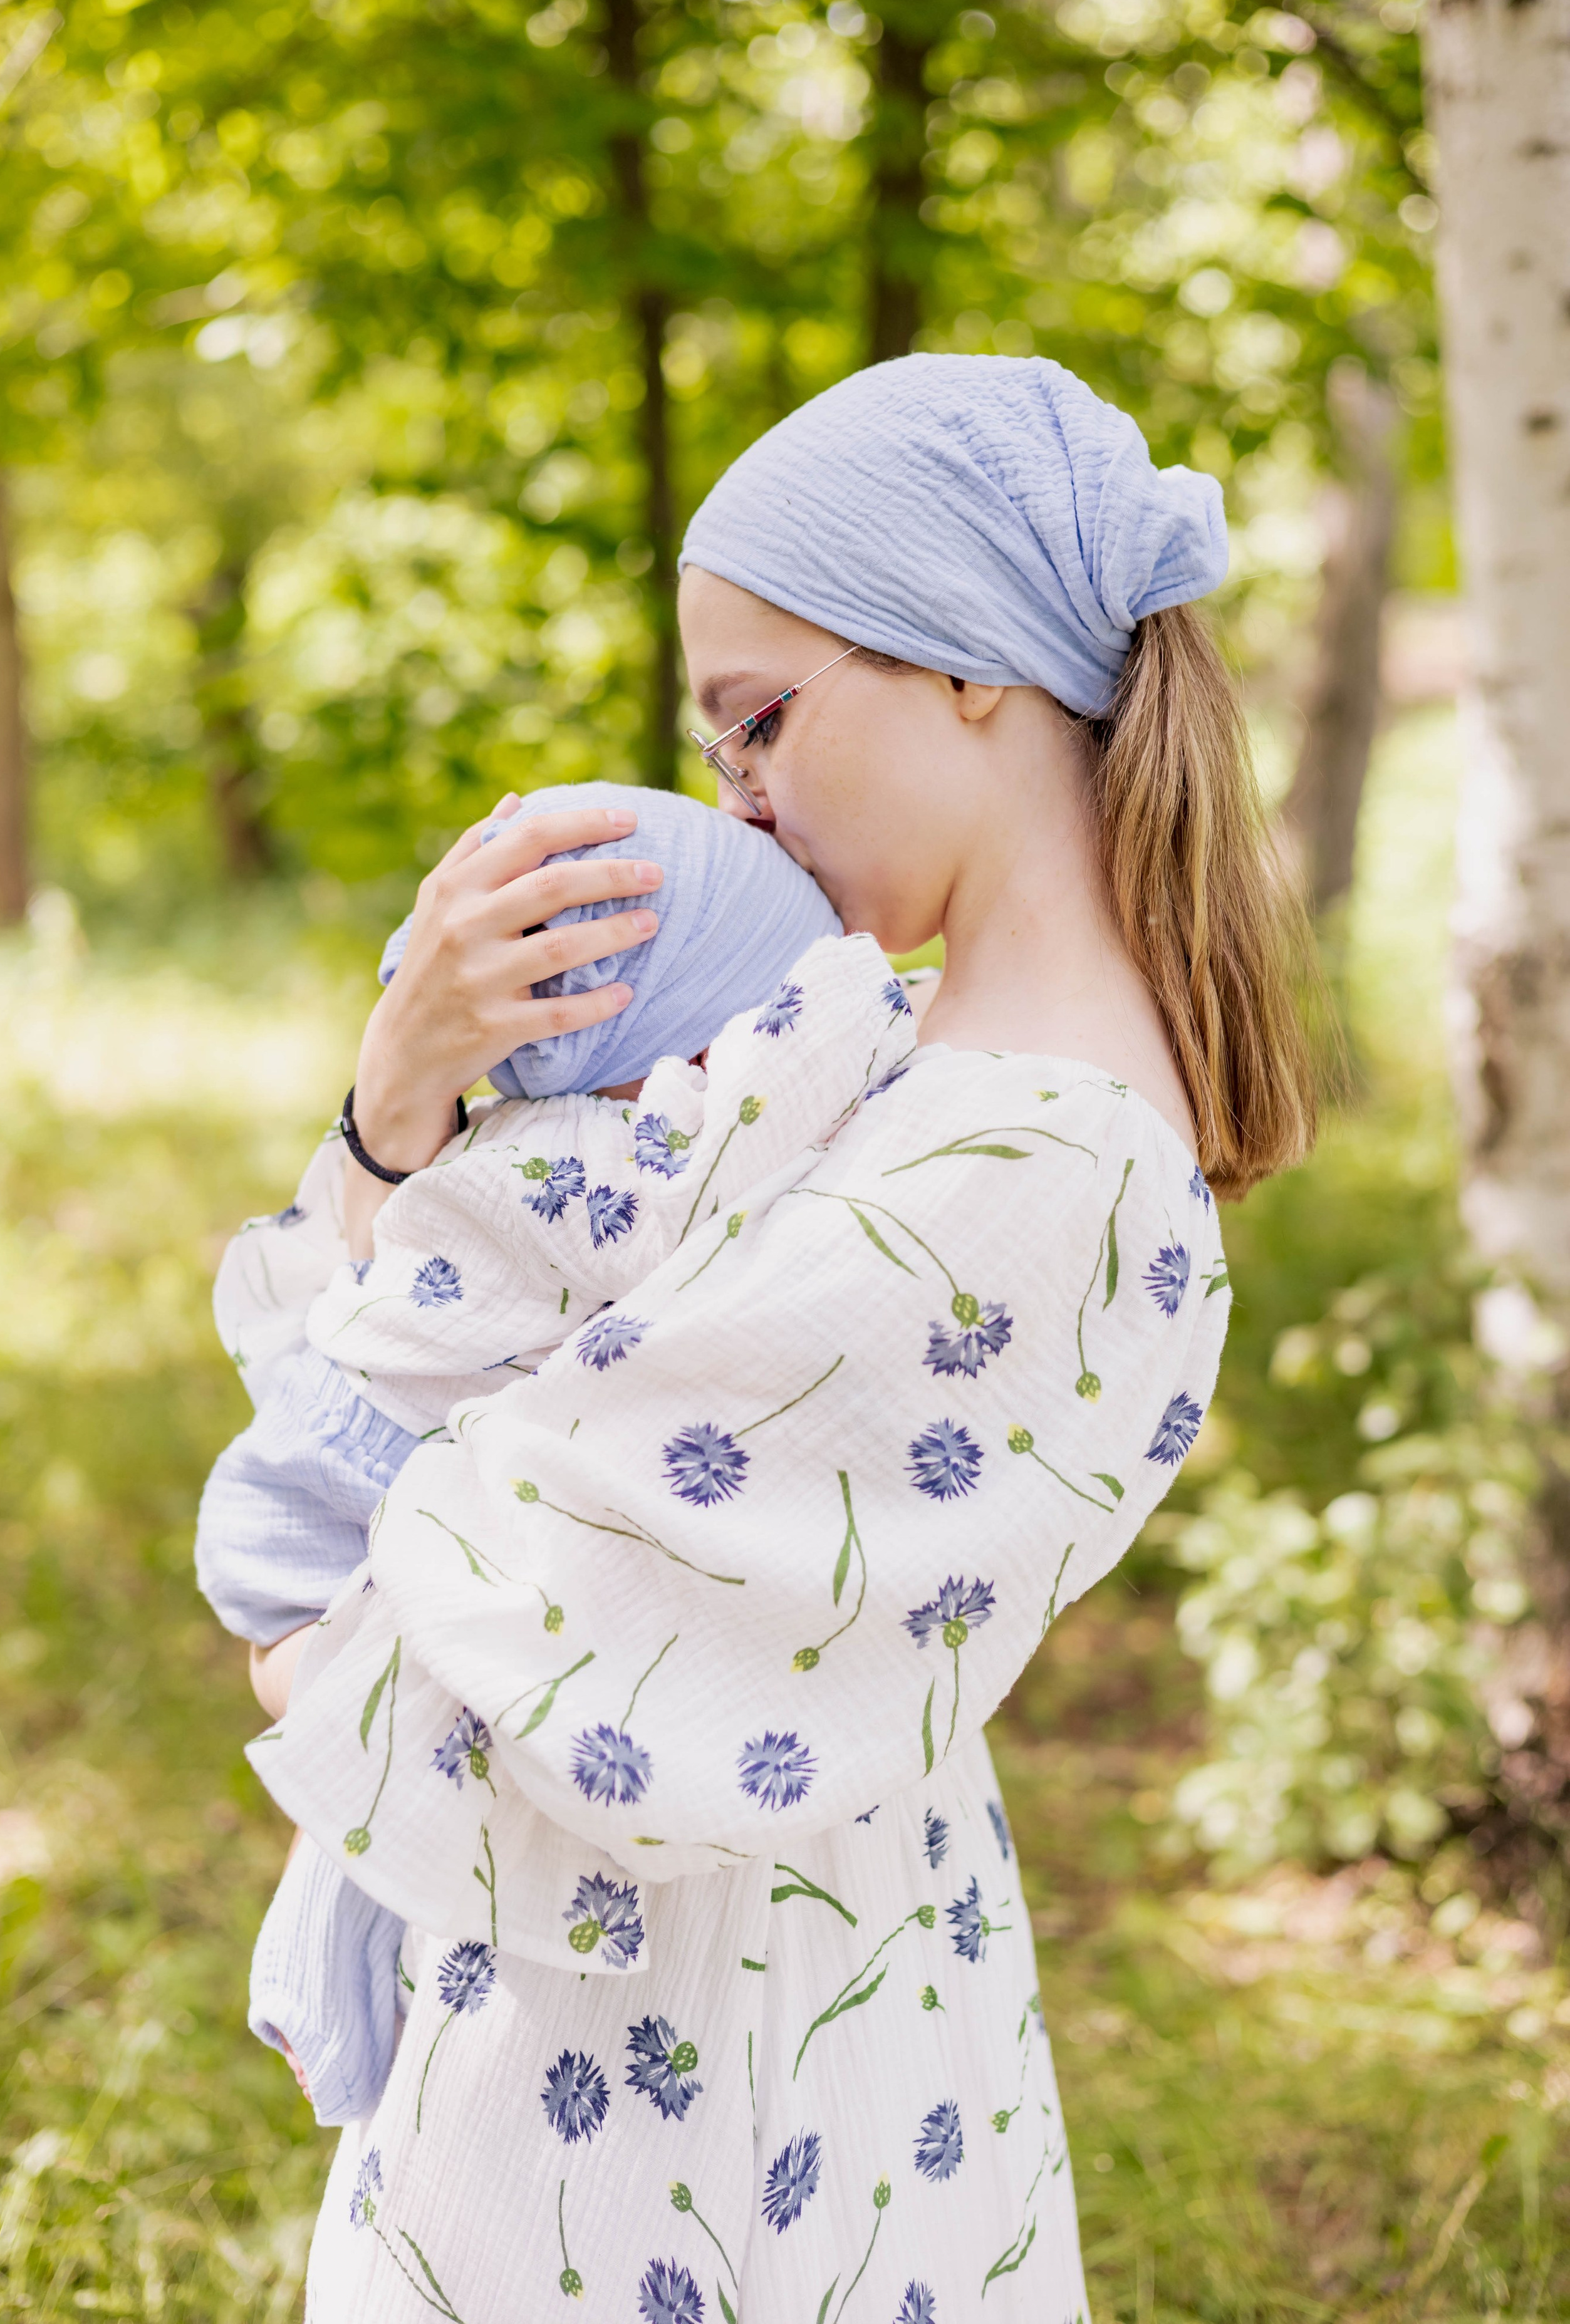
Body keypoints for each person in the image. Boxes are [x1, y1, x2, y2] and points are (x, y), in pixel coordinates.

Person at [245, 353, 1316, 2323]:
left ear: (970, 662)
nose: (736, 799)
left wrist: (311, 1587)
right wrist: (398, 1110)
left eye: (763, 721)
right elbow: (472, 1358)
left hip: (702, 2077)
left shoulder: (1037, 1159)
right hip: (679, 2014)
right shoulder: (881, 1063)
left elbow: (523, 1614)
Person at [197, 786, 882, 2119]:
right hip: (350, 1507)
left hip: (406, 1577)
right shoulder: (596, 1172)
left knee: (364, 1848)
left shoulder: (533, 1152)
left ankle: (323, 1978)